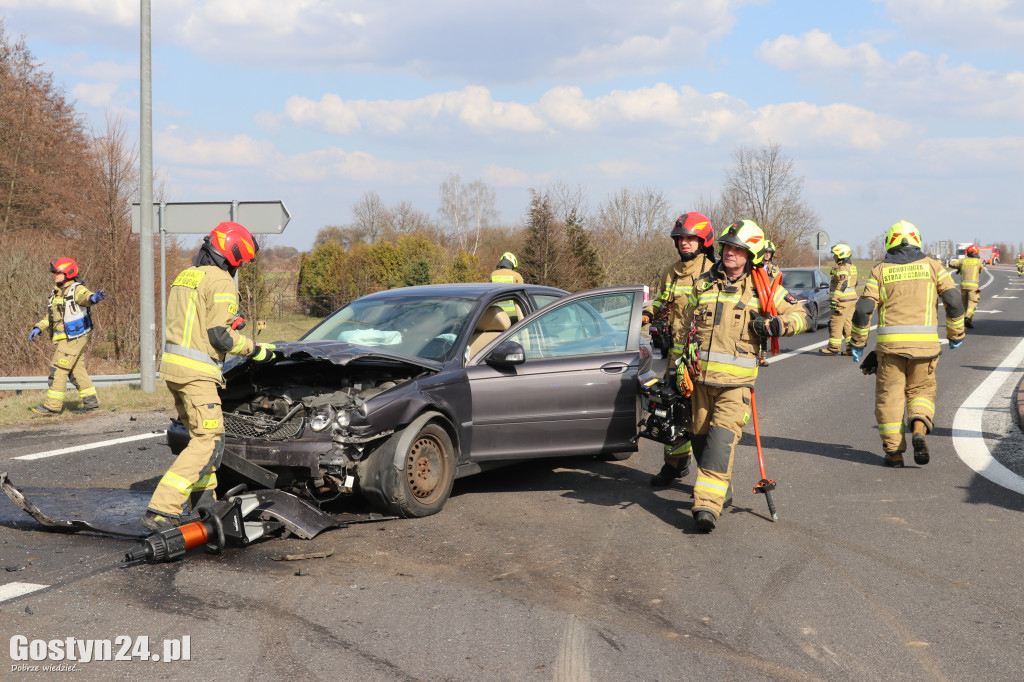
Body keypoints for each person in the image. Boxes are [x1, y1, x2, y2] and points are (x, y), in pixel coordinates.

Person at [142, 222, 277, 531]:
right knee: (208, 441)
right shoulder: (222, 282)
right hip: (198, 374)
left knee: (199, 438)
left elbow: (197, 319)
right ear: (230, 255)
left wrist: (231, 321)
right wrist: (257, 350)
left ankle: (205, 505)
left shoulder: (186, 276)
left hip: (174, 370)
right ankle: (162, 509)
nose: (237, 267)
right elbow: (221, 338)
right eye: (238, 262)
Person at [675, 220, 808, 532]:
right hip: (700, 383)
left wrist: (776, 325)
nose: (730, 252)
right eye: (727, 247)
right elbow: (686, 328)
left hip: (735, 386)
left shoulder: (764, 290)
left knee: (720, 444)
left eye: (738, 248)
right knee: (701, 443)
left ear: (752, 255)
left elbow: (801, 316)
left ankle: (706, 507)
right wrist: (678, 366)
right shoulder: (704, 284)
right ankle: (722, 491)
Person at [849, 220, 965, 468]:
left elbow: (864, 308)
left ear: (889, 243)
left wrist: (858, 342)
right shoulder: (934, 267)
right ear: (917, 241)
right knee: (921, 392)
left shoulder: (880, 271)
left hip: (890, 351)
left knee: (890, 399)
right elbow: (954, 299)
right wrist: (956, 334)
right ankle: (919, 427)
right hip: (925, 349)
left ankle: (894, 454)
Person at [641, 213, 715, 487]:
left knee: (703, 420)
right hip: (676, 356)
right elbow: (662, 300)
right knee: (672, 412)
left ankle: (714, 480)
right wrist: (648, 313)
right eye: (680, 238)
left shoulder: (713, 271)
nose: (684, 243)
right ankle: (674, 466)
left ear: (703, 240)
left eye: (690, 238)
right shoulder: (670, 272)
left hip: (704, 358)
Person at [28, 258, 106, 415]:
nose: (54, 275)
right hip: (68, 339)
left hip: (73, 338)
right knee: (77, 372)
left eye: (58, 272)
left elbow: (85, 296)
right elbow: (50, 317)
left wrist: (93, 298)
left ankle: (53, 407)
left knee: (58, 369)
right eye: (55, 272)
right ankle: (91, 405)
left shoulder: (77, 289)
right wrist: (39, 327)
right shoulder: (56, 292)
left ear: (68, 273)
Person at [820, 243, 859, 355]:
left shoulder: (842, 268)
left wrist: (835, 299)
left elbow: (843, 283)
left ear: (841, 255)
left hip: (842, 301)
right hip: (851, 300)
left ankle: (833, 348)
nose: (834, 257)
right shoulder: (852, 267)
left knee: (836, 323)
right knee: (848, 324)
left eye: (835, 255)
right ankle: (851, 348)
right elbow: (854, 283)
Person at [947, 244, 984, 328]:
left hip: (963, 287)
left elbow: (951, 264)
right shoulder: (979, 262)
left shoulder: (962, 261)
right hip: (973, 287)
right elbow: (981, 270)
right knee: (972, 302)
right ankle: (967, 317)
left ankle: (966, 319)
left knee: (964, 304)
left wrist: (959, 268)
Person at [756, 240, 780, 367]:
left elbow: (777, 284)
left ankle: (762, 357)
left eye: (769, 253)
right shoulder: (754, 265)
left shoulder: (774, 268)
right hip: (756, 300)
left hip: (768, 302)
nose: (766, 255)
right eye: (765, 252)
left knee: (765, 329)